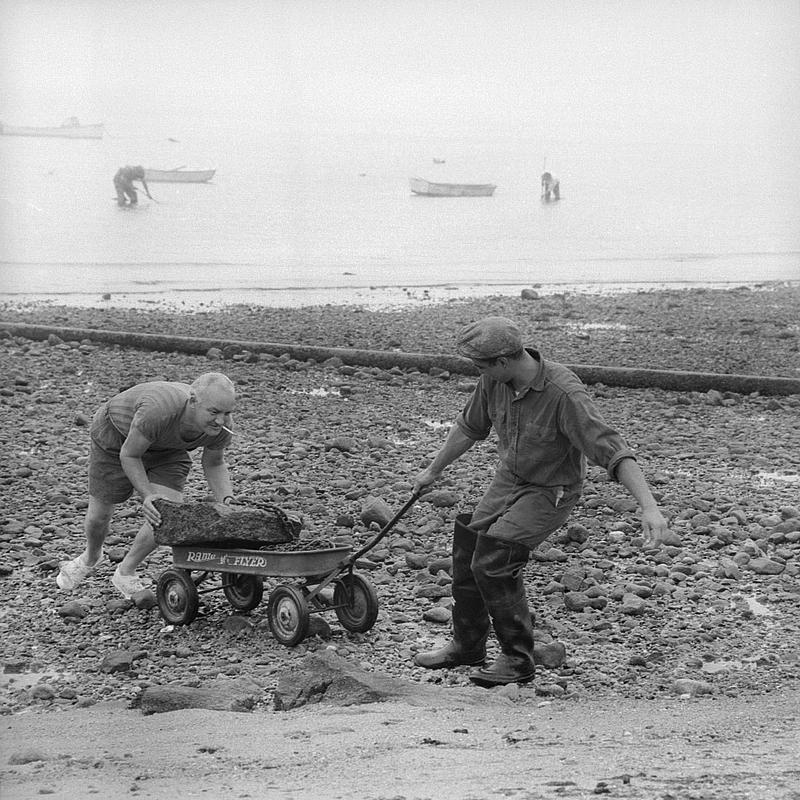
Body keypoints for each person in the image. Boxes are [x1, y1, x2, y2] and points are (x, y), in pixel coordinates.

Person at [412, 316, 669, 688]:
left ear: (503, 361)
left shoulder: (564, 394)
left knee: (495, 561)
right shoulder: (493, 381)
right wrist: (432, 472)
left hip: (552, 490)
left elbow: (613, 451)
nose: (477, 372)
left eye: (481, 365)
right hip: (509, 480)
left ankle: (517, 660)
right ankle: (467, 646)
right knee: (468, 547)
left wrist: (649, 507)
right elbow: (469, 427)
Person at [56, 373, 237, 599]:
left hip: (168, 449)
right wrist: (147, 494)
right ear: (193, 401)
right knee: (99, 517)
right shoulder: (159, 410)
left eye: (227, 413)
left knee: (166, 511)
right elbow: (130, 455)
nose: (221, 421)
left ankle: (126, 571)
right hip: (116, 437)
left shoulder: (222, 427)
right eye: (214, 412)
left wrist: (229, 501)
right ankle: (91, 557)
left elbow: (214, 463)